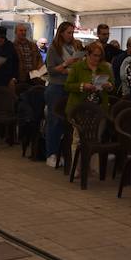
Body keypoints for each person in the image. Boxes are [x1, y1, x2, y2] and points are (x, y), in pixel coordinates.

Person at [44, 22, 83, 167]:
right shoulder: (54, 48)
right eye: (68, 33)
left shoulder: (73, 46)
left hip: (69, 86)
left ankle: (64, 153)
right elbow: (52, 70)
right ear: (61, 33)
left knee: (67, 122)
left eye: (72, 33)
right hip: (56, 87)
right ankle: (51, 154)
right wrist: (66, 65)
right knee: (54, 121)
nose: (71, 35)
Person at [65, 41, 114, 116]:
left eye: (99, 56)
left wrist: (109, 86)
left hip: (99, 109)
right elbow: (67, 86)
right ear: (88, 54)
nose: (97, 58)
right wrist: (82, 86)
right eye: (95, 55)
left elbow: (112, 85)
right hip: (79, 107)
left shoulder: (105, 67)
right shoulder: (77, 67)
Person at [14, 23, 45, 90]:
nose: (23, 32)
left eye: (25, 31)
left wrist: (39, 71)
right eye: (21, 31)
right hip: (20, 77)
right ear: (16, 32)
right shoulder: (12, 46)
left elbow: (39, 59)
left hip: (34, 76)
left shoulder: (33, 45)